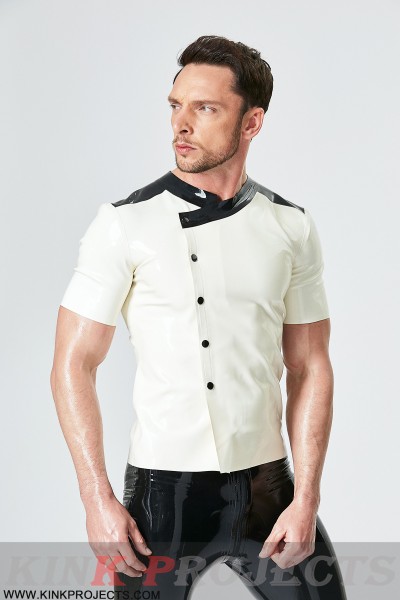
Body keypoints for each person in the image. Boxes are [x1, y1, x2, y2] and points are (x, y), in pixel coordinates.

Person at [50, 35, 347, 599]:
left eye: (205, 108)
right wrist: (96, 497)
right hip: (162, 500)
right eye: (175, 105)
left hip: (268, 490)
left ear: (251, 122)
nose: (180, 124)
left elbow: (310, 365)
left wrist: (306, 496)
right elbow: (73, 362)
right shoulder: (124, 223)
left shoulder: (291, 226)